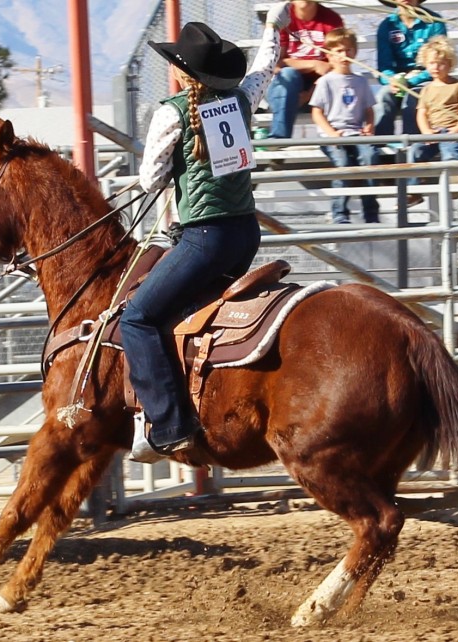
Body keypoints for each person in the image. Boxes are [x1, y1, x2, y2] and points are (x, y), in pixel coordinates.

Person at [125, 4, 291, 463]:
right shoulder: (241, 100)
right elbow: (265, 67)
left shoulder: (171, 113)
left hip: (204, 238)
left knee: (137, 318)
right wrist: (273, 28)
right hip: (244, 234)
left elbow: (150, 180)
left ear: (182, 74)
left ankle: (168, 425)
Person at [309, 27, 381, 224]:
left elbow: (369, 109)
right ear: (329, 55)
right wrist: (332, 133)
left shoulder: (361, 82)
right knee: (343, 164)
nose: (344, 54)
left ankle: (371, 212)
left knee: (370, 158)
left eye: (348, 50)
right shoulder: (325, 82)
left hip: (356, 132)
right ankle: (340, 213)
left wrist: (369, 126)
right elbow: (317, 112)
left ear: (355, 52)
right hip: (332, 135)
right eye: (339, 51)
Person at [265, 0, 344, 139]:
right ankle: (279, 139)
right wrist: (314, 64)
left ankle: (341, 140)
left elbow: (336, 64)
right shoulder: (282, 18)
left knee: (340, 79)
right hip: (286, 88)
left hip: (319, 88)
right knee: (288, 74)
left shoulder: (332, 20)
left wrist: (309, 94)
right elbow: (276, 64)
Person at [373, 0, 447, 138]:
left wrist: (412, 81)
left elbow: (440, 62)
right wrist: (392, 80)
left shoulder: (434, 22)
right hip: (397, 80)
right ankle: (380, 143)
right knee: (384, 97)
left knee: (413, 98)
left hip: (426, 79)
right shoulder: (387, 25)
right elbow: (384, 66)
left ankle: (412, 144)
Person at [412, 37, 458, 170]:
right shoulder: (426, 89)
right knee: (415, 151)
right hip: (435, 131)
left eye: (441, 63)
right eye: (432, 63)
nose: (436, 67)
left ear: (450, 64)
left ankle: (453, 182)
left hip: (453, 131)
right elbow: (422, 113)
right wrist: (426, 131)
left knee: (450, 155)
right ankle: (415, 182)